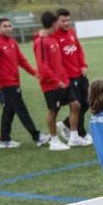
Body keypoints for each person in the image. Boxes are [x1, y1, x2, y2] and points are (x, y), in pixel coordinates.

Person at [0, 17, 50, 149]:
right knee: (21, 109)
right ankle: (36, 136)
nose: (8, 28)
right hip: (7, 83)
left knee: (9, 111)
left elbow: (21, 60)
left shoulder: (12, 42)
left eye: (9, 26)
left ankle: (4, 139)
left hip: (15, 82)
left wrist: (34, 72)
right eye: (4, 26)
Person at [33, 11, 81, 151]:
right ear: (54, 23)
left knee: (76, 105)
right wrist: (56, 80)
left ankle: (74, 136)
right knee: (53, 111)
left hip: (63, 81)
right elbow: (42, 66)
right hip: (51, 84)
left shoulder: (51, 37)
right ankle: (54, 141)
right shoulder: (41, 42)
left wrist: (63, 79)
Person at [54, 8, 93, 146]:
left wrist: (83, 65)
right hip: (69, 77)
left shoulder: (71, 33)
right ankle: (80, 132)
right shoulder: (54, 37)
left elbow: (79, 50)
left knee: (88, 102)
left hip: (80, 74)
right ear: (57, 21)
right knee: (77, 105)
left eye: (68, 20)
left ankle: (65, 124)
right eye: (63, 21)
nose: (66, 23)